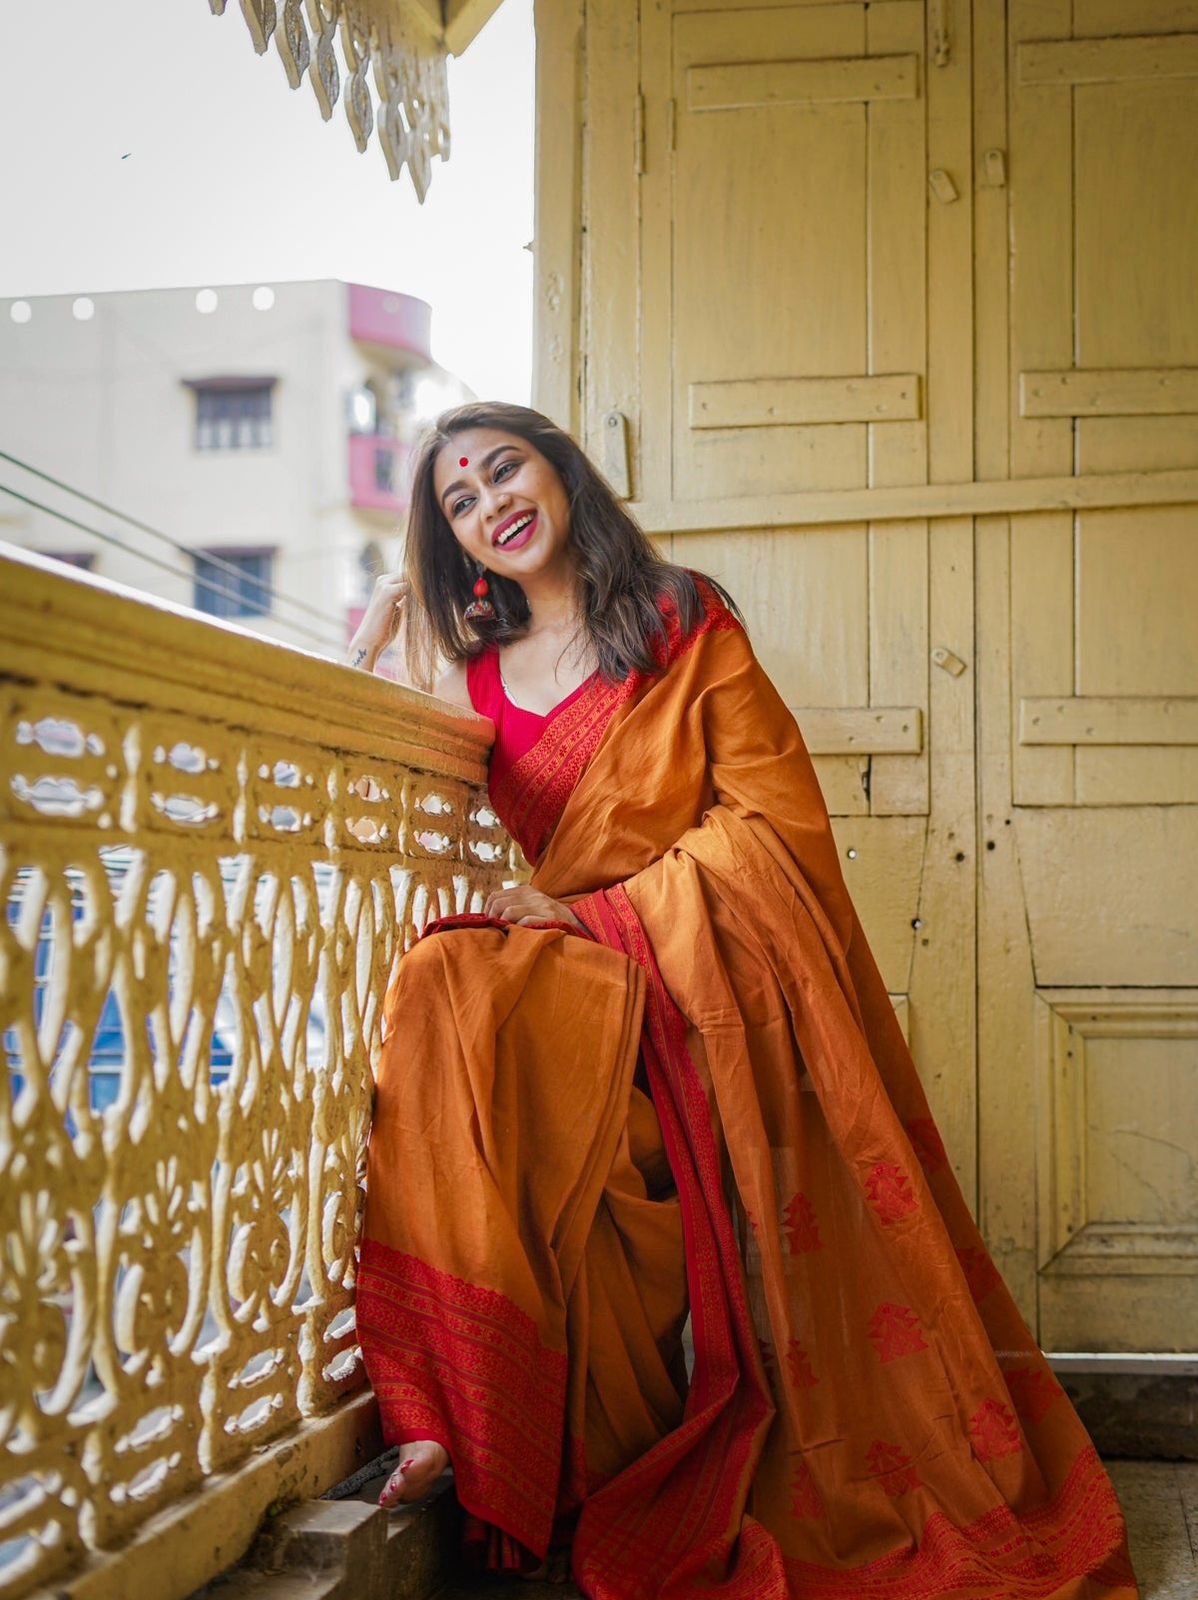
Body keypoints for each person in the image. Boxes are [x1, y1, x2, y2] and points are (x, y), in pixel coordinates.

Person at [347, 400, 1140, 1598]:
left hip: (695, 977)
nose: (489, 505)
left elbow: (770, 821)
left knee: (498, 1018)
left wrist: (605, 915)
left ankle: (596, 1453)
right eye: (459, 503)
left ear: (560, 471)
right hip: (583, 979)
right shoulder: (472, 674)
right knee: (445, 984)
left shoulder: (676, 617)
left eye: (503, 471)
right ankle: (454, 1419)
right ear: (453, 540)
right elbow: (386, 758)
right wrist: (376, 633)